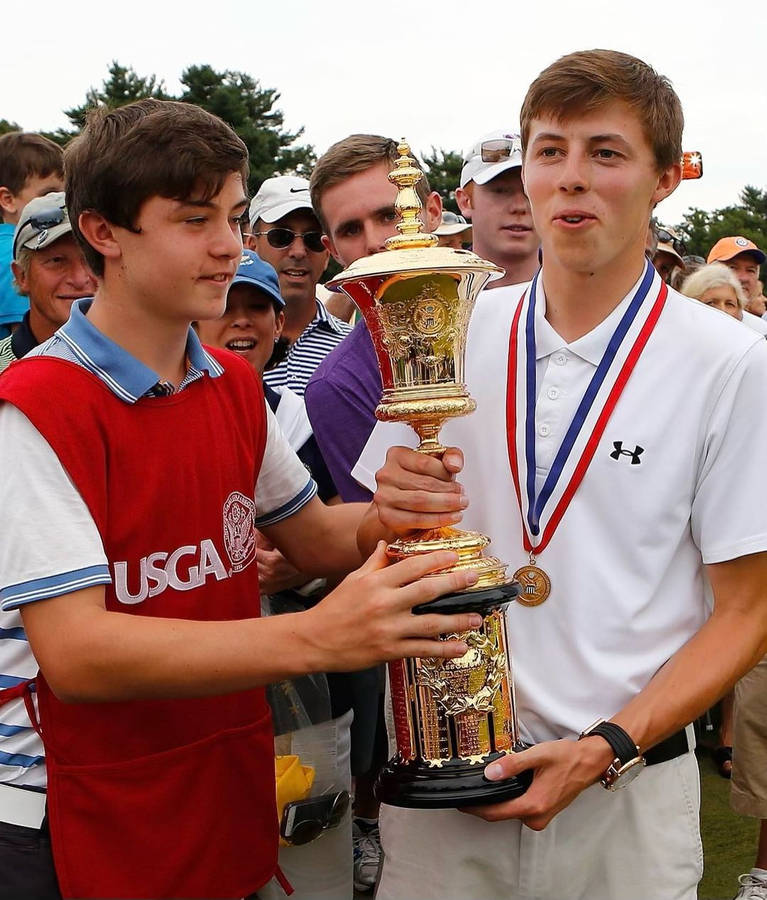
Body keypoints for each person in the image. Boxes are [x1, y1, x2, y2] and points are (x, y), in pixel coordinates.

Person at [0, 99, 482, 900]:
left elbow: (317, 540)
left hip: (217, 779)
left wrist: (383, 516)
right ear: (104, 232)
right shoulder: (33, 408)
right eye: (194, 219)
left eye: (232, 213)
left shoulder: (230, 385)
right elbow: (78, 654)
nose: (229, 245)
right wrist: (319, 638)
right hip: (66, 812)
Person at [354, 49, 767, 900]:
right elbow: (370, 534)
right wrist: (383, 513)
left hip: (623, 791)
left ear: (662, 181)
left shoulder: (732, 363)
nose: (570, 179)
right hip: (445, 793)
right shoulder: (447, 326)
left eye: (604, 153)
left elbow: (746, 611)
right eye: (550, 151)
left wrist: (603, 749)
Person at [196, 249, 353, 900]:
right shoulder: (173, 406)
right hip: (201, 686)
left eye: (257, 306)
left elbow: (331, 539)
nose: (242, 320)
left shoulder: (302, 412)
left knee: (309, 848)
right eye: (228, 305)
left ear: (278, 321)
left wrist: (302, 570)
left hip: (309, 683)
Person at [305, 134, 442, 504]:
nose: (375, 242)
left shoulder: (516, 321)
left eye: (389, 215)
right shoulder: (337, 386)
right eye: (350, 229)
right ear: (331, 250)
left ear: (432, 212)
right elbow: (387, 530)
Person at [245, 175, 351, 395]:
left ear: (328, 251)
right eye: (281, 236)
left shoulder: (356, 349)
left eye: (312, 239)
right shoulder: (222, 340)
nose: (298, 251)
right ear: (251, 246)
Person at [0, 192, 96, 373]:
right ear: (22, 276)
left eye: (92, 259)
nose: (79, 279)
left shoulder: (148, 364)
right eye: (57, 261)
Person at [455, 128, 540, 288]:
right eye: (500, 191)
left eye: (531, 191)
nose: (519, 207)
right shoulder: (437, 297)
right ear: (465, 201)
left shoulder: (586, 293)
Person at [0, 133, 64, 338]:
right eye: (48, 194)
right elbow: (28, 341)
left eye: (66, 194)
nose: (61, 204)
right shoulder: (17, 256)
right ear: (8, 200)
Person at [708, 235, 766, 319]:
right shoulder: (689, 316)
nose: (743, 278)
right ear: (708, 272)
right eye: (732, 268)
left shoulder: (761, 329)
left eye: (750, 270)